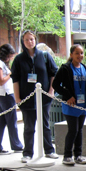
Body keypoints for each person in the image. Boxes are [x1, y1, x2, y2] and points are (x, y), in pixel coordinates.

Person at [11, 30, 59, 163]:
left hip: (43, 98)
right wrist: (17, 97)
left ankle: (49, 150)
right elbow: (15, 79)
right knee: (29, 127)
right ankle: (27, 153)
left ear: (35, 40)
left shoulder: (44, 56)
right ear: (23, 41)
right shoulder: (19, 59)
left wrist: (51, 91)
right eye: (26, 40)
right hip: (27, 99)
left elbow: (54, 73)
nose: (29, 42)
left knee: (45, 124)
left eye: (31, 39)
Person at [52, 44, 86, 166]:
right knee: (73, 130)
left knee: (79, 130)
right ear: (71, 55)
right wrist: (68, 95)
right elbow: (56, 85)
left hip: (83, 105)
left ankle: (78, 155)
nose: (80, 56)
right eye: (77, 53)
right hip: (71, 105)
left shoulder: (84, 67)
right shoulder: (65, 68)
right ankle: (67, 155)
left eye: (81, 53)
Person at [0, 44, 24, 155]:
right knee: (11, 120)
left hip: (1, 93)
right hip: (5, 94)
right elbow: (1, 80)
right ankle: (16, 145)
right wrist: (10, 73)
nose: (10, 58)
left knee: (2, 121)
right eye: (9, 56)